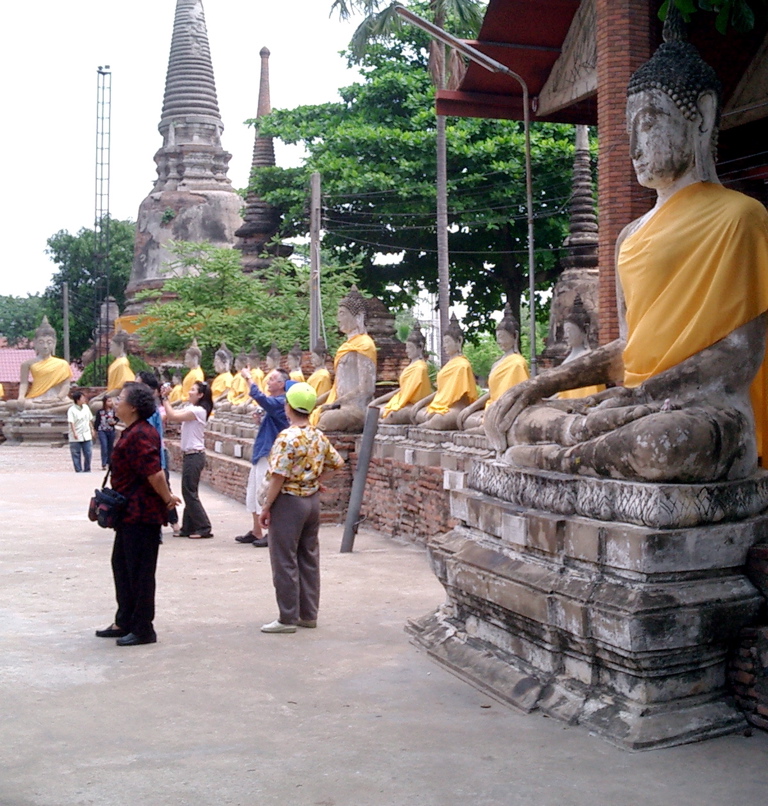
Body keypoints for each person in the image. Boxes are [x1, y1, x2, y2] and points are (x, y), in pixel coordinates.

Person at [485, 11, 768, 483]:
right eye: (628, 125)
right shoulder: (629, 236)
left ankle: (559, 460)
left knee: (656, 444)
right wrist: (544, 382)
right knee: (523, 417)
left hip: (703, 411)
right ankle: (568, 450)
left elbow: (739, 355)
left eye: (650, 122)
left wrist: (637, 398)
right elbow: (629, 348)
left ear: (703, 115)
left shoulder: (741, 216)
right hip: (628, 407)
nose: (634, 144)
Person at [95, 382, 180, 646]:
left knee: (140, 572)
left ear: (132, 407)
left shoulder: (141, 433)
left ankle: (143, 627)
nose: (115, 402)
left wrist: (168, 500)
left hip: (142, 514)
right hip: (128, 513)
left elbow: (154, 473)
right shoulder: (132, 430)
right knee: (122, 566)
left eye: (120, 399)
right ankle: (125, 620)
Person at [259, 382, 344, 633]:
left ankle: (287, 617)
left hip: (289, 501)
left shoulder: (287, 437)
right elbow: (337, 463)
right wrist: (317, 481)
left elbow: (278, 476)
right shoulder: (317, 434)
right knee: (308, 557)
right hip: (311, 502)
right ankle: (308, 613)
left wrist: (266, 506)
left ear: (288, 407)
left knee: (284, 559)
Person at [234, 367, 290, 547]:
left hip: (271, 453)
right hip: (262, 451)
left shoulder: (282, 402)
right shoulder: (275, 402)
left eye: (272, 379)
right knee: (253, 492)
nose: (268, 381)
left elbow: (260, 398)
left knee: (265, 493)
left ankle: (269, 532)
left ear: (281, 384)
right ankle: (257, 531)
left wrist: (248, 379)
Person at [311, 286, 377, 432]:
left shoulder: (365, 344)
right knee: (306, 414)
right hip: (340, 405)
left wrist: (335, 404)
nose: (338, 318)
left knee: (327, 419)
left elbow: (366, 389)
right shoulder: (346, 347)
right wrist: (316, 402)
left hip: (356, 408)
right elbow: (338, 387)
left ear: (358, 316)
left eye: (342, 314)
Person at [458, 305, 529, 432]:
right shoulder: (498, 363)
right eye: (497, 337)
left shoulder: (517, 363)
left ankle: (489, 427)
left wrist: (496, 413)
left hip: (505, 412)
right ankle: (486, 425)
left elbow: (514, 396)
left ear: (515, 336)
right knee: (466, 420)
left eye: (502, 337)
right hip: (491, 408)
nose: (498, 341)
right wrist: (471, 408)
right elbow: (493, 392)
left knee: (476, 425)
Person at [162, 380, 214, 538]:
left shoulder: (198, 411)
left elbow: (172, 416)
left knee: (189, 492)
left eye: (193, 390)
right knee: (189, 491)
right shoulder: (192, 408)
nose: (189, 392)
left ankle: (204, 527)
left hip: (195, 455)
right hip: (191, 455)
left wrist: (165, 398)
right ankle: (188, 527)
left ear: (200, 395)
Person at [412, 314, 477, 430]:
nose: (444, 346)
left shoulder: (462, 365)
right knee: (419, 414)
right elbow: (441, 392)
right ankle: (426, 424)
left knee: (438, 420)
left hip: (456, 407)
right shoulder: (448, 366)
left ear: (459, 341)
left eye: (447, 342)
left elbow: (459, 396)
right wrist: (421, 403)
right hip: (441, 405)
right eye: (444, 342)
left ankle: (425, 426)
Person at [137, 371, 180, 536]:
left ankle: (173, 521)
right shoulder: (138, 411)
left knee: (163, 486)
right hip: (145, 454)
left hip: (155, 453)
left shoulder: (153, 411)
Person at [370, 323, 431, 424]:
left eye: (410, 348)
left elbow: (409, 394)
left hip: (412, 403)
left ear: (420, 347)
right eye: (406, 347)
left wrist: (398, 405)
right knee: (376, 410)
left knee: (390, 415)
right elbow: (402, 390)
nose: (407, 351)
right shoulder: (411, 366)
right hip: (401, 400)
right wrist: (378, 400)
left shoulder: (420, 368)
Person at [9, 316, 72, 412]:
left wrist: (58, 398)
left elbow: (66, 385)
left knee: (72, 405)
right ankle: (44, 409)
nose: (45, 346)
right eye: (41, 342)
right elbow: (24, 383)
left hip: (56, 400)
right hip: (36, 398)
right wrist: (21, 397)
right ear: (35, 343)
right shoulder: (27, 364)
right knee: (10, 404)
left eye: (49, 342)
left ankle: (45, 410)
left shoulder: (62, 363)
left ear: (54, 343)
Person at [67, 390, 95, 472]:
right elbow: (71, 422)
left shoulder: (86, 407)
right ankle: (78, 469)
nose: (84, 399)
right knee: (76, 453)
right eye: (82, 398)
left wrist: (92, 429)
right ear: (78, 400)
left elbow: (89, 419)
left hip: (86, 433)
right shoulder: (71, 410)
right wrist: (74, 433)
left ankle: (87, 468)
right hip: (76, 434)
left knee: (88, 453)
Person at [95, 396, 117, 469]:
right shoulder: (100, 412)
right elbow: (97, 422)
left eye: (111, 401)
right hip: (102, 430)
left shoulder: (113, 411)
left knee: (110, 447)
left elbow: (117, 419)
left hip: (110, 430)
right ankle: (104, 463)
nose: (110, 403)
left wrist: (115, 422)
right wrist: (95, 431)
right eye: (108, 401)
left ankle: (109, 462)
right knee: (104, 446)